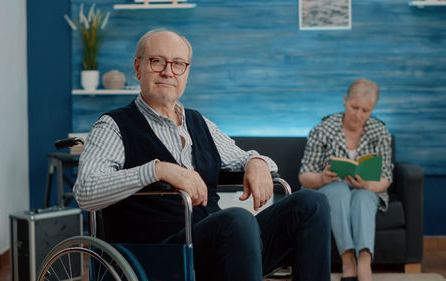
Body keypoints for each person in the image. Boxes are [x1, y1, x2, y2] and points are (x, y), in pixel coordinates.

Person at [74, 28, 331, 281]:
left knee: (311, 203)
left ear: (187, 72)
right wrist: (159, 169)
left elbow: (242, 155)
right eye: (157, 61)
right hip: (158, 254)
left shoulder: (198, 122)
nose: (168, 71)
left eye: (178, 64)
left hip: (219, 245)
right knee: (237, 219)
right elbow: (86, 191)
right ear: (138, 67)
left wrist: (257, 161)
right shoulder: (113, 125)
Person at [299, 79, 393, 281]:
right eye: (354, 107)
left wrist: (368, 184)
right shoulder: (323, 129)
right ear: (345, 101)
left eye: (365, 110)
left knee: (363, 197)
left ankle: (365, 261)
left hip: (367, 190)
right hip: (331, 189)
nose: (358, 115)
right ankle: (348, 258)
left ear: (373, 109)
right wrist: (322, 177)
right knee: (339, 190)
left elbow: (386, 177)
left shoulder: (380, 132)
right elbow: (304, 176)